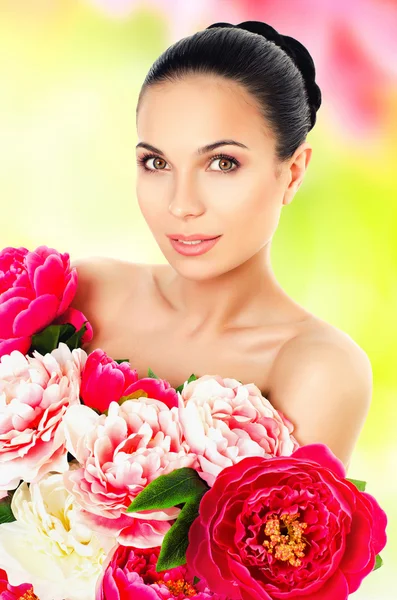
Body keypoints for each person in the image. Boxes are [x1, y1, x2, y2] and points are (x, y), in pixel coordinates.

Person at [71, 21, 372, 470]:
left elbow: (289, 536)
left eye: (222, 163)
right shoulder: (86, 290)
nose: (182, 205)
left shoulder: (317, 367)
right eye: (156, 162)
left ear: (292, 172)